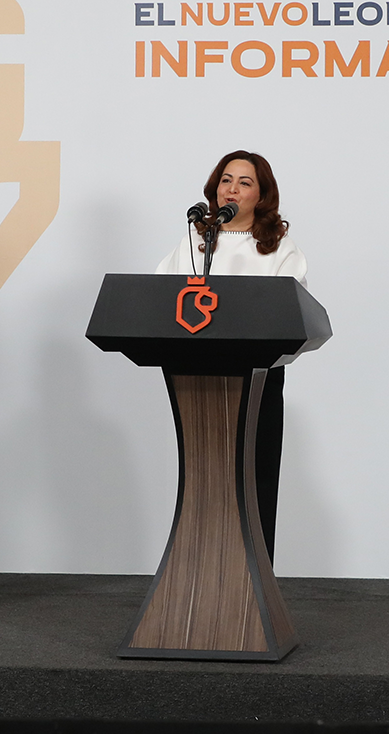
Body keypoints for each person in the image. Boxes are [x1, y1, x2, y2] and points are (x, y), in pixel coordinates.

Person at [156, 150, 306, 563]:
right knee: (205, 479)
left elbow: (290, 310)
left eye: (244, 182)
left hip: (257, 376)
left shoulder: (278, 247)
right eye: (226, 180)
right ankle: (199, 575)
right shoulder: (194, 242)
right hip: (195, 375)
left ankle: (252, 580)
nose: (232, 189)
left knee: (253, 480)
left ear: (261, 195)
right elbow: (160, 297)